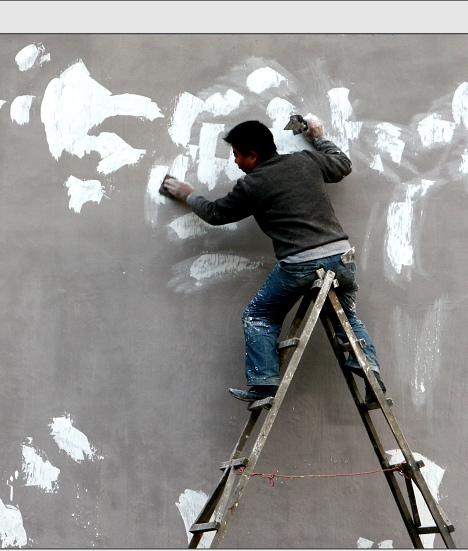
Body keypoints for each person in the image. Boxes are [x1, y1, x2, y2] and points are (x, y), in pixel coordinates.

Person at [160, 117, 385, 404]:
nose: (236, 162)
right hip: (341, 258)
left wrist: (189, 195)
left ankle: (264, 384)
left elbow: (216, 214)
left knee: (259, 316)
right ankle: (371, 374)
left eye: (237, 156)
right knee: (348, 317)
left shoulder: (252, 185)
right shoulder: (307, 161)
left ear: (252, 156)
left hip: (301, 264)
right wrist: (317, 137)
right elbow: (342, 164)